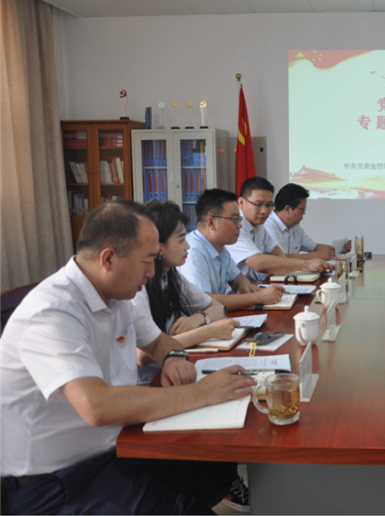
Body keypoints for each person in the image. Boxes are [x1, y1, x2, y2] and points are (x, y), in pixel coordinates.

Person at [0, 200, 254, 514]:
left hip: (115, 449)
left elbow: (159, 342)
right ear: (108, 258)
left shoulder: (116, 297)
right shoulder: (52, 311)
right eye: (147, 260)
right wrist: (203, 393)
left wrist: (174, 358)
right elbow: (97, 406)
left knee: (212, 467)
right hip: (58, 482)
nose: (152, 272)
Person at [132, 200, 237, 383]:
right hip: (148, 383)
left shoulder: (171, 276)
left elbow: (218, 308)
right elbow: (143, 356)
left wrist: (201, 318)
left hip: (172, 370)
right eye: (181, 239)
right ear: (158, 246)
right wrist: (208, 331)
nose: (187, 246)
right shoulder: (138, 287)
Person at [177, 188, 284, 311]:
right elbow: (204, 301)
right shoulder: (193, 251)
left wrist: (245, 286)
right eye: (234, 220)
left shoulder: (220, 247)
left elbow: (236, 278)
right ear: (211, 223)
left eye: (239, 220)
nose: (240, 225)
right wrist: (257, 297)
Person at [226, 178, 331, 283]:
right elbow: (258, 263)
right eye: (258, 204)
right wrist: (306, 264)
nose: (264, 211)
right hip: (236, 291)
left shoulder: (259, 224)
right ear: (241, 202)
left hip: (255, 286)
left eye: (269, 205)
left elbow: (279, 255)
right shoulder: (235, 225)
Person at [264, 182, 351, 260]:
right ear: (288, 209)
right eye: (302, 209)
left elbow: (315, 247)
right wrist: (317, 255)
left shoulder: (295, 228)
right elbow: (280, 258)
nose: (304, 213)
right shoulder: (268, 226)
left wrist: (336, 250)